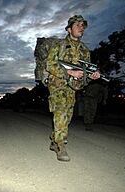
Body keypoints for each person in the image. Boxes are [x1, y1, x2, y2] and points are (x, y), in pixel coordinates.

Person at [46, 15, 100, 161]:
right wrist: (69, 72)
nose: (81, 28)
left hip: (72, 87)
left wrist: (91, 76)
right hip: (58, 84)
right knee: (61, 112)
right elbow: (50, 65)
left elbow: (86, 71)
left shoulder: (84, 50)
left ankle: (54, 138)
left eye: (83, 25)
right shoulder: (59, 45)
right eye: (78, 25)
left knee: (67, 116)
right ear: (69, 29)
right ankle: (60, 145)